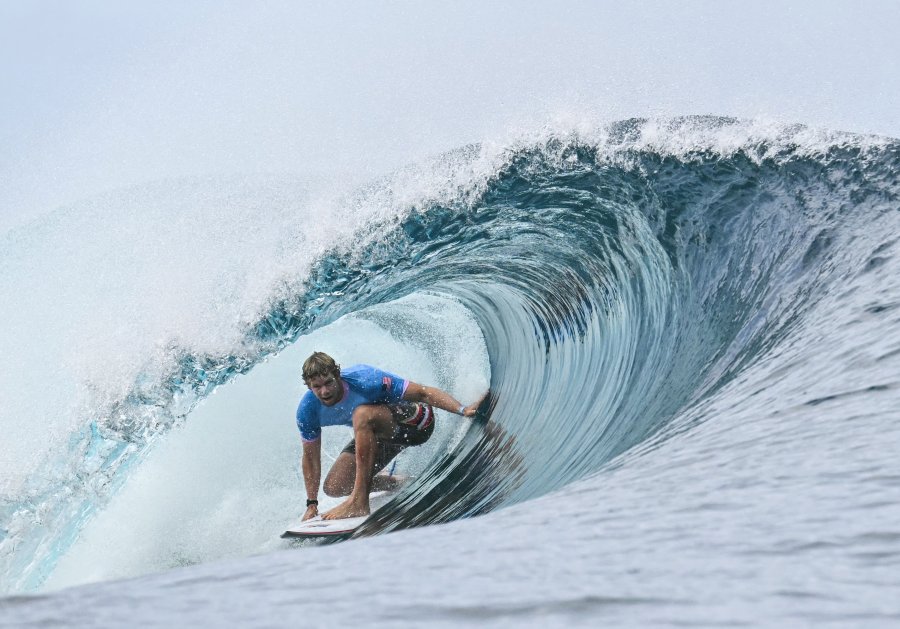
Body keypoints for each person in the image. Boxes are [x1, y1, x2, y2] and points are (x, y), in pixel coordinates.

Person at [297, 351, 481, 521]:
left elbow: (423, 393)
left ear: (337, 375)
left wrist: (462, 409)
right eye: (317, 387)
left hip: (417, 422)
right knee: (335, 486)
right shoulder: (307, 411)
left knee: (361, 415)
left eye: (329, 382)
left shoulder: (366, 379)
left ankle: (359, 502)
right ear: (309, 386)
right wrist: (312, 504)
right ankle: (393, 482)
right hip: (381, 437)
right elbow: (311, 458)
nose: (325, 391)